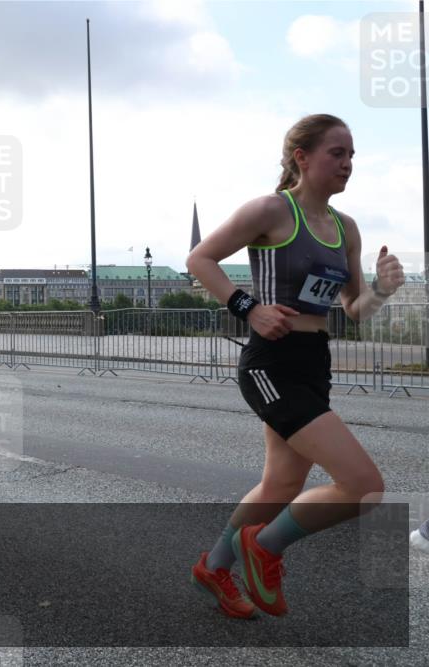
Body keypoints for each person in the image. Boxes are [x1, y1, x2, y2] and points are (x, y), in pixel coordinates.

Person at [186, 114, 404, 618]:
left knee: (281, 485)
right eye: (337, 153)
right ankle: (264, 546)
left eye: (352, 156)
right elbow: (200, 259)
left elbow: (353, 308)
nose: (347, 164)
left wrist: (382, 291)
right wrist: (249, 308)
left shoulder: (346, 228)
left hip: (313, 361)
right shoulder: (271, 210)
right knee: (363, 485)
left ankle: (214, 568)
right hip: (270, 363)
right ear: (302, 158)